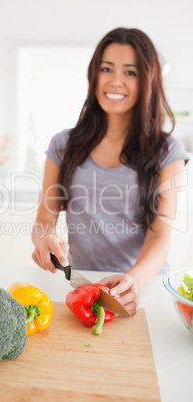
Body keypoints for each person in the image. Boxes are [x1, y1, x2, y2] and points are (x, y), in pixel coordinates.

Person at [31, 27, 189, 315]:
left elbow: (160, 234)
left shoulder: (168, 151)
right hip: (83, 286)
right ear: (94, 75)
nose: (115, 81)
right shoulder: (62, 145)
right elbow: (45, 218)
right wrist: (45, 240)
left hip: (144, 286)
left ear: (147, 81)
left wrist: (134, 280)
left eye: (130, 72)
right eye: (107, 69)